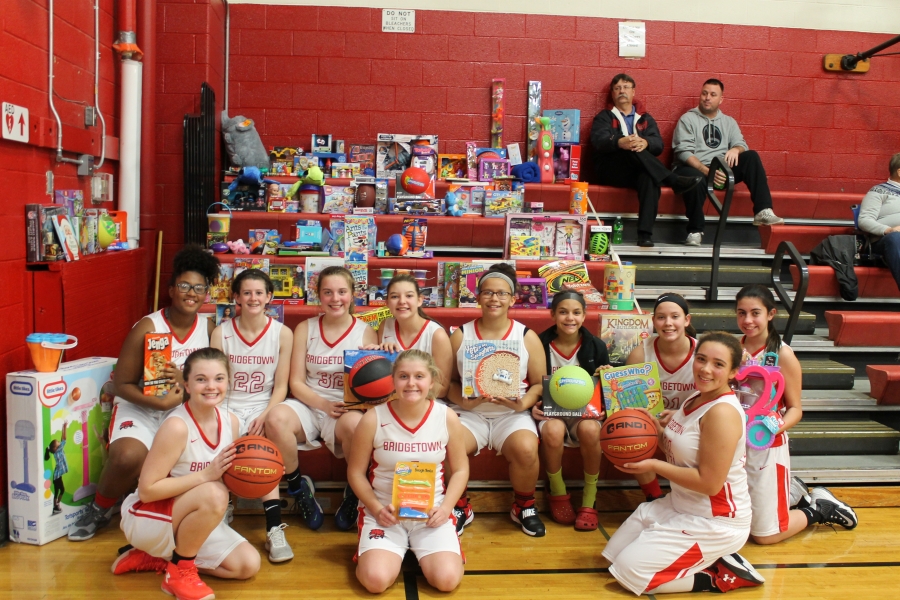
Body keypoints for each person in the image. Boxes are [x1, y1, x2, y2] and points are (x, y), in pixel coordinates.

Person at [69, 245, 220, 541]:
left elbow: (213, 384)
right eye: (184, 285)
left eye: (199, 288)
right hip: (141, 406)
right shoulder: (149, 326)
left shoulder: (210, 328)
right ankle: (100, 508)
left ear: (206, 294)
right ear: (171, 289)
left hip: (182, 412)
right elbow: (121, 385)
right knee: (127, 456)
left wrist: (186, 382)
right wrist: (156, 402)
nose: (191, 293)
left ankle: (171, 515)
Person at [604, 332, 764, 594]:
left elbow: (710, 484)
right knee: (612, 556)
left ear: (734, 372)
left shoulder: (722, 413)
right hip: (681, 505)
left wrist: (653, 467)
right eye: (701, 359)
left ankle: (720, 574)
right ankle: (704, 560)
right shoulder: (695, 397)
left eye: (718, 364)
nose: (705, 369)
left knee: (630, 573)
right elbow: (678, 452)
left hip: (716, 520)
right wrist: (649, 430)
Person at [111, 348, 260, 598]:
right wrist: (206, 475)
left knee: (247, 565)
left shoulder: (231, 421)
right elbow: (147, 491)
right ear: (187, 384)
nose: (211, 386)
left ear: (228, 382)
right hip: (147, 514)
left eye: (219, 378)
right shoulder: (177, 427)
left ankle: (161, 558)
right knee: (214, 493)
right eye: (201, 379)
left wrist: (259, 477)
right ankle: (179, 572)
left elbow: (229, 477)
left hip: (190, 516)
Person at [735, 285, 858, 544]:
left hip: (765, 444)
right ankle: (792, 491)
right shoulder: (733, 348)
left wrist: (771, 428)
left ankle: (820, 508)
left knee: (764, 535)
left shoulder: (782, 354)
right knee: (738, 522)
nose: (747, 320)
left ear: (770, 314)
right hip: (733, 442)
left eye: (755, 313)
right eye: (741, 313)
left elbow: (796, 409)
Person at [266, 266, 377, 533]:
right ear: (318, 295)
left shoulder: (365, 332)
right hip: (310, 403)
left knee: (355, 426)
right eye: (327, 292)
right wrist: (323, 405)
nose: (335, 298)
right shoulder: (305, 328)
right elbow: (295, 382)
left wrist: (375, 358)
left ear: (353, 295)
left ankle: (354, 493)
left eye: (341, 292)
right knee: (276, 418)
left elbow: (370, 387)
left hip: (345, 408)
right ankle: (297, 487)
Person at [348, 350, 468, 593]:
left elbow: (461, 470)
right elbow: (355, 473)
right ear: (392, 380)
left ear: (431, 381)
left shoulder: (446, 417)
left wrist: (445, 509)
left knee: (447, 580)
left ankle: (417, 550)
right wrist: (376, 509)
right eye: (403, 376)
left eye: (419, 376)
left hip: (431, 515)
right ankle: (391, 551)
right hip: (385, 513)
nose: (411, 383)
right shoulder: (373, 418)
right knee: (375, 581)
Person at [448, 264, 547, 537]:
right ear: (477, 297)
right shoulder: (460, 334)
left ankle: (524, 506)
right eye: (488, 293)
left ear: (513, 299)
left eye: (502, 294)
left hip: (511, 414)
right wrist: (465, 402)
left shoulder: (527, 336)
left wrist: (522, 404)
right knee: (449, 443)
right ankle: (460, 506)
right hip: (470, 413)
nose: (494, 299)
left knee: (527, 449)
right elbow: (448, 384)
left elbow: (540, 384)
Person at [211, 269, 294, 563]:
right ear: (236, 297)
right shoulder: (221, 332)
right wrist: (223, 416)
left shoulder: (282, 333)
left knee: (261, 451)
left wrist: (267, 412)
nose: (253, 298)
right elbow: (216, 382)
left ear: (269, 297)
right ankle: (221, 510)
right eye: (246, 293)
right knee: (226, 442)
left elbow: (281, 385)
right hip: (227, 405)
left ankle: (274, 529)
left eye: (259, 293)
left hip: (263, 405)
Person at [590, 73, 704, 248]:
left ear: (633, 92)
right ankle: (672, 180)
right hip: (611, 170)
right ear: (612, 94)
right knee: (630, 147)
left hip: (636, 171)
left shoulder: (645, 118)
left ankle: (645, 235)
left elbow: (658, 144)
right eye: (617, 88)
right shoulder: (604, 117)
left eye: (626, 87)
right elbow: (598, 141)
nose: (622, 91)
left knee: (649, 177)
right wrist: (620, 141)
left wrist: (646, 142)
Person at [673, 78, 784, 247]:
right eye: (704, 93)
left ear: (721, 99)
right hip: (692, 168)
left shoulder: (728, 122)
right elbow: (683, 153)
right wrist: (706, 171)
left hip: (720, 172)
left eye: (712, 94)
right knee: (696, 179)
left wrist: (736, 149)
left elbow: (741, 143)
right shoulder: (687, 119)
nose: (707, 98)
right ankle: (695, 231)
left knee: (751, 156)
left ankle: (763, 210)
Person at [532, 291, 609, 531]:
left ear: (585, 316)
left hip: (584, 414)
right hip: (551, 413)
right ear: (553, 314)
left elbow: (606, 390)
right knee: (553, 431)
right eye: (563, 312)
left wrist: (606, 383)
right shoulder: (538, 343)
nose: (570, 318)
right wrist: (532, 405)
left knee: (589, 430)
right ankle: (557, 490)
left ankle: (590, 494)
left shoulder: (596, 346)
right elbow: (529, 381)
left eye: (576, 312)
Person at [625, 293, 698, 502]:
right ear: (653, 321)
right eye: (661, 317)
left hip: (691, 421)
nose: (668, 323)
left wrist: (680, 415)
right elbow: (629, 401)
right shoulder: (641, 352)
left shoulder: (702, 353)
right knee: (629, 430)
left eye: (675, 316)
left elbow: (714, 400)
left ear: (687, 320)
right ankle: (653, 497)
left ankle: (692, 495)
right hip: (651, 421)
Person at [376, 274, 452, 400]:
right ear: (387, 302)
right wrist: (376, 352)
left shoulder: (437, 335)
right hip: (390, 402)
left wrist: (406, 393)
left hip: (424, 404)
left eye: (409, 296)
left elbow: (442, 389)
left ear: (419, 300)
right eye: (395, 296)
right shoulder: (385, 326)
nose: (402, 301)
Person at [857, 152, 900, 290]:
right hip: (886, 240)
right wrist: (889, 230)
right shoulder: (878, 191)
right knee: (895, 238)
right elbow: (864, 220)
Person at [45, 422, 68, 515]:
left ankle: (55, 507)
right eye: (58, 443)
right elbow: (64, 439)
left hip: (57, 475)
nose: (59, 442)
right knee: (62, 490)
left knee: (57, 491)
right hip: (57, 476)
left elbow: (62, 440)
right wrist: (64, 427)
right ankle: (57, 505)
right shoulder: (58, 450)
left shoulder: (56, 451)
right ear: (55, 447)